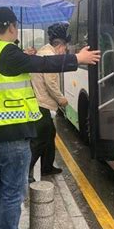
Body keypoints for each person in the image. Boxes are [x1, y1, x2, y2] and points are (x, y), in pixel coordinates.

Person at [0, 7, 100, 229]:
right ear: (10, 26)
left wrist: (23, 55)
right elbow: (44, 63)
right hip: (13, 132)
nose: (17, 29)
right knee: (12, 191)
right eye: (16, 25)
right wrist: (77, 59)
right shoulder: (7, 52)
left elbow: (14, 66)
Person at [29, 23, 71, 183]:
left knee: (50, 134)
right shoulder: (51, 57)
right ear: (60, 46)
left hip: (40, 102)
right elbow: (50, 83)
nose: (64, 52)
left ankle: (47, 166)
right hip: (42, 104)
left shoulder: (43, 51)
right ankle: (27, 172)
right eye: (65, 49)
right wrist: (61, 99)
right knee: (39, 141)